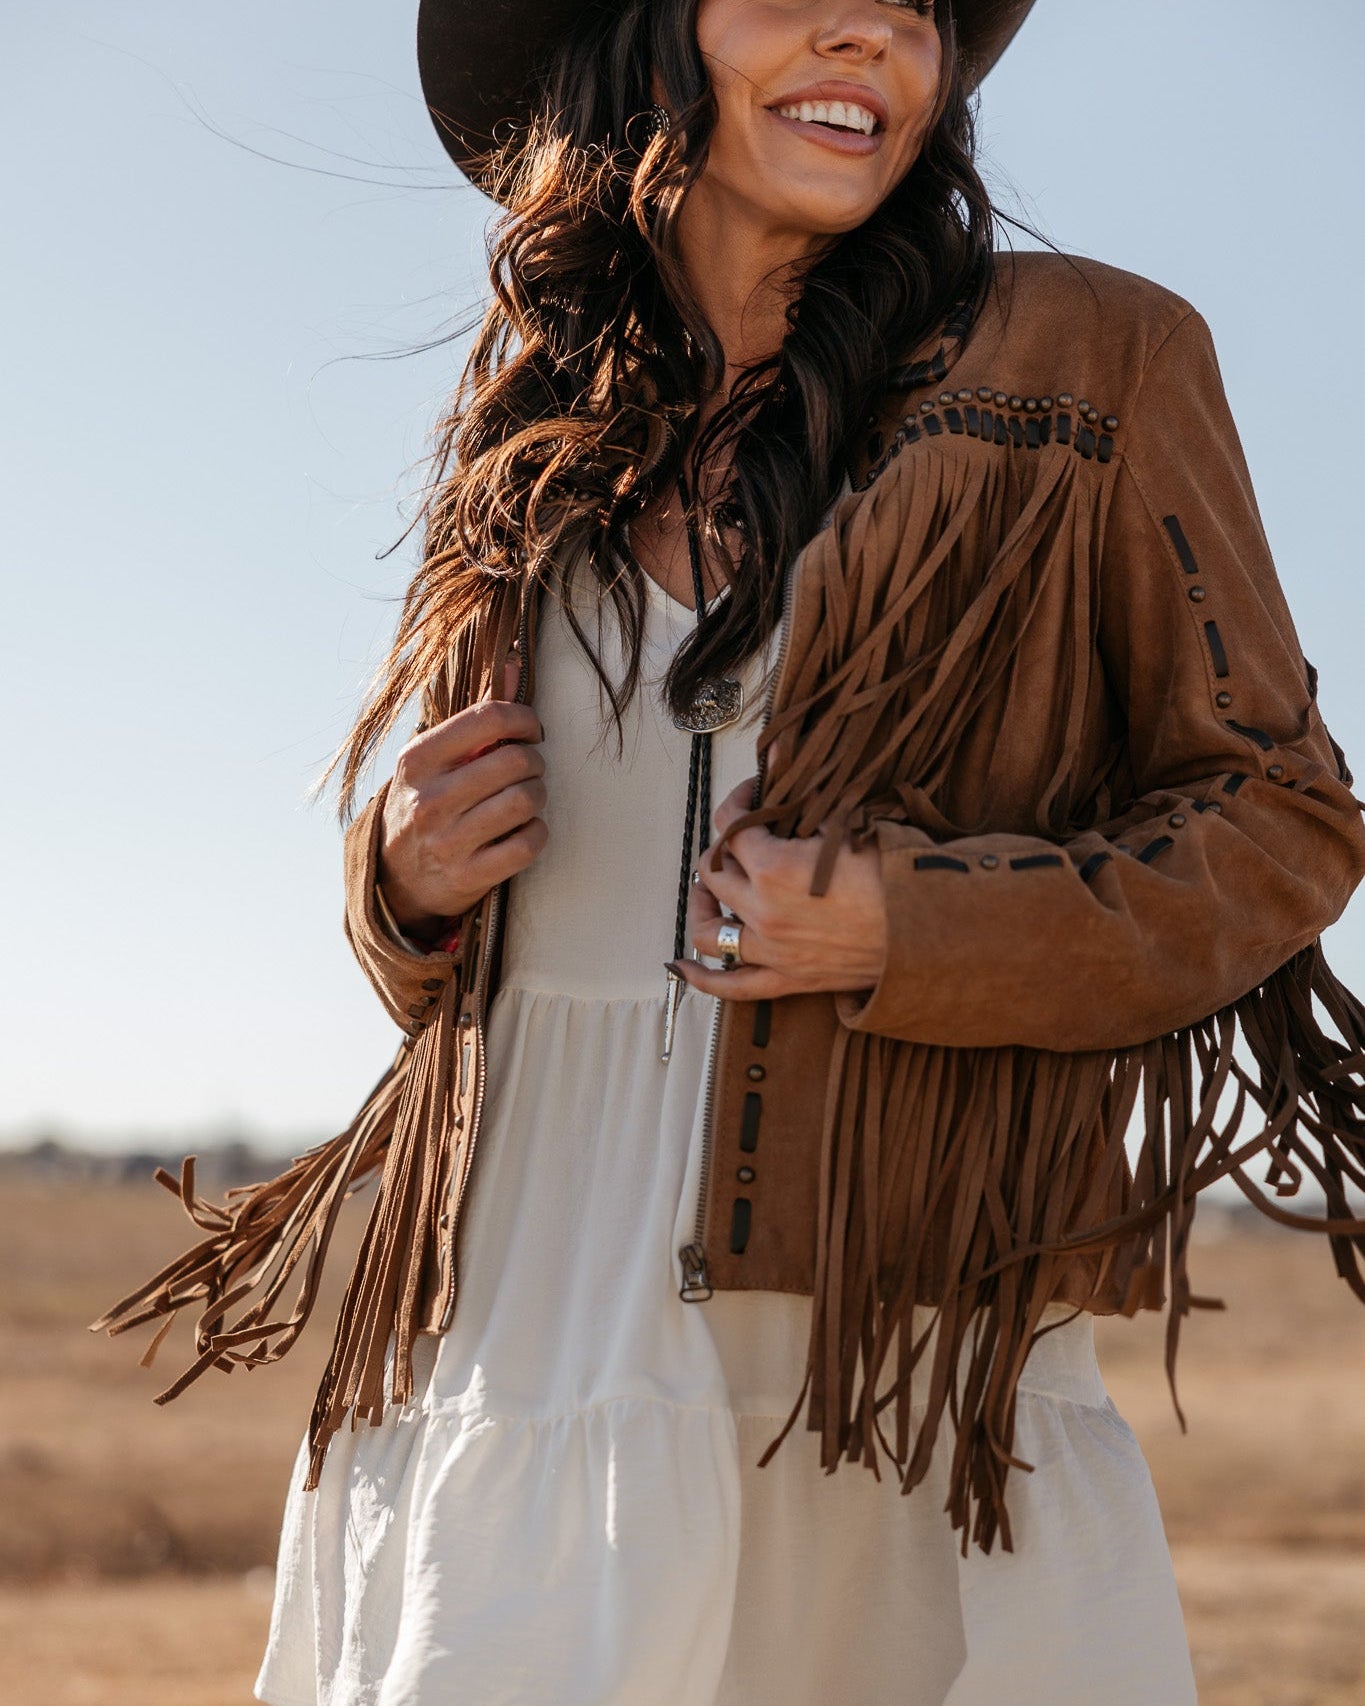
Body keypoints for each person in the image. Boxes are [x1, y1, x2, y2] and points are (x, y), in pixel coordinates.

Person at [89, 2, 1365, 1703]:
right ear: (643, 28)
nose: (871, 33)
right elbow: (474, 949)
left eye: (912, 3)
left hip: (879, 1356)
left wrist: (910, 926)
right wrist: (396, 878)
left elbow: (1281, 818)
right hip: (517, 1334)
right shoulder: (525, 428)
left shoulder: (1089, 360)